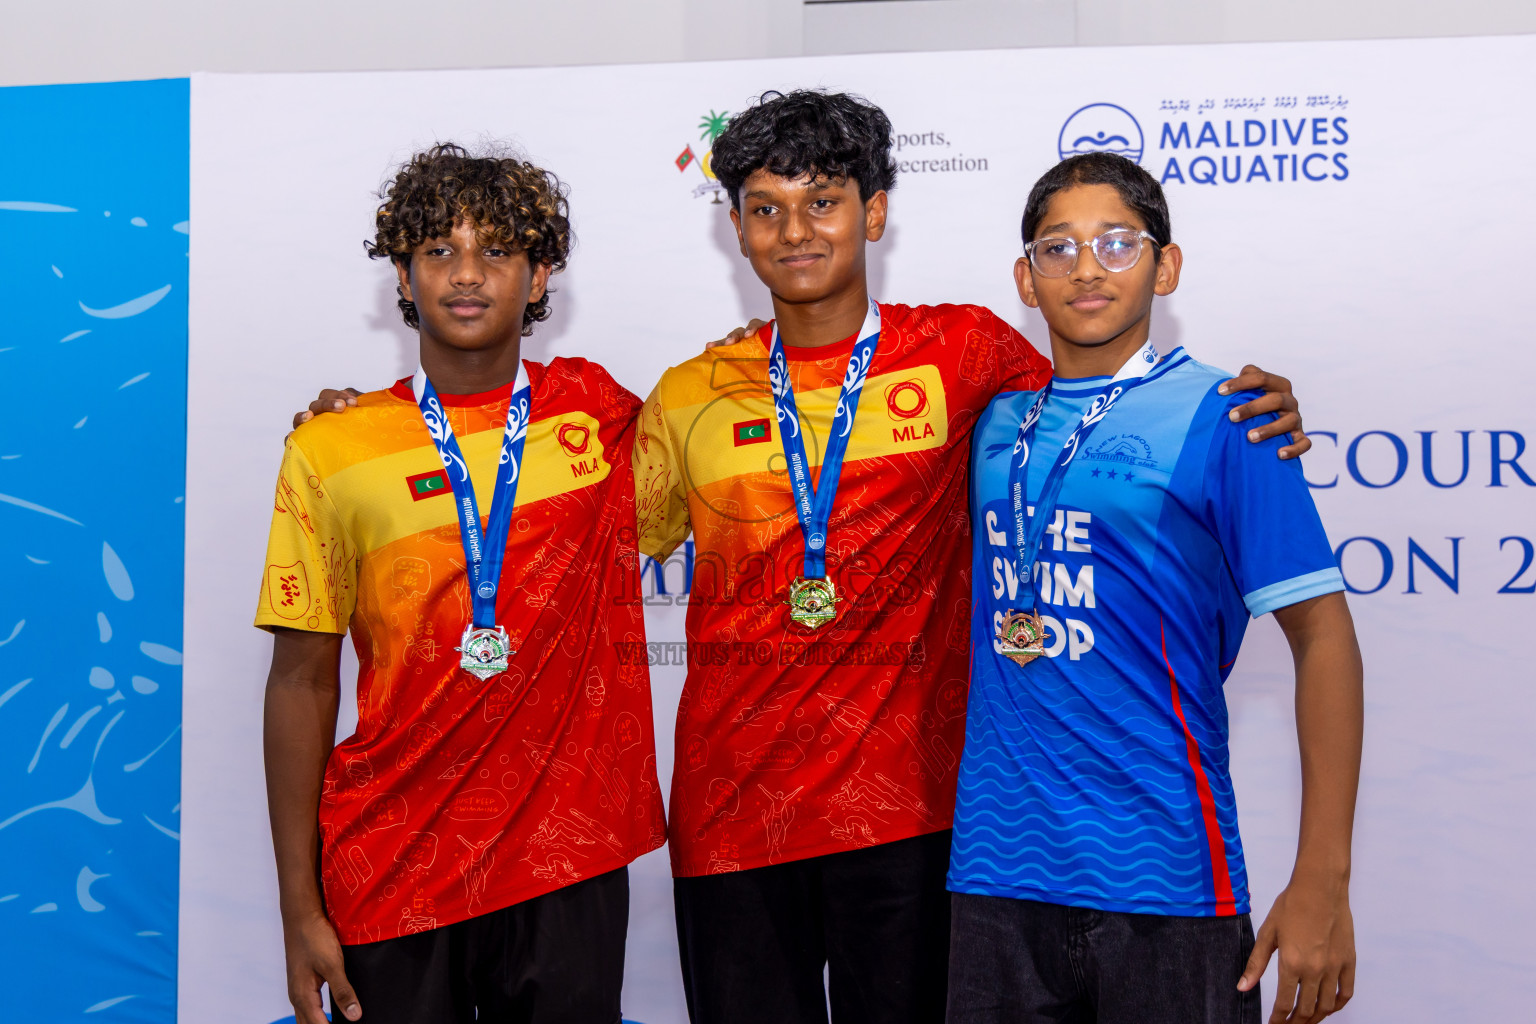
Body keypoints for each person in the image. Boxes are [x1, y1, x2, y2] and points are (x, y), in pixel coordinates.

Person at [294, 91, 1310, 1024]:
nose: (796, 230)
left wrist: (1252, 397)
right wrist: (362, 427)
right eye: (767, 208)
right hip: (732, 827)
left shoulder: (967, 355)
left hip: (915, 820)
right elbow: (552, 514)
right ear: (735, 226)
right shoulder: (683, 396)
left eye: (822, 201)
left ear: (873, 213)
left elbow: (1102, 400)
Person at [949, 151, 1361, 1024]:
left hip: (1164, 876)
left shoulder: (1230, 417)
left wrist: (1322, 876)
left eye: (1117, 243)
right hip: (994, 874)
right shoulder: (989, 419)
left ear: (1165, 266)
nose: (1087, 267)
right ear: (1025, 279)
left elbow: (1324, 637)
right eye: (1057, 248)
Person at [257, 144, 665, 1024]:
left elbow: (732, 428)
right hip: (391, 857)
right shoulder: (332, 448)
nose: (467, 275)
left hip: (566, 855)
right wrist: (299, 908)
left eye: (499, 251)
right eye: (438, 251)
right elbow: (299, 679)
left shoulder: (600, 415)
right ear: (402, 277)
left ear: (539, 272)